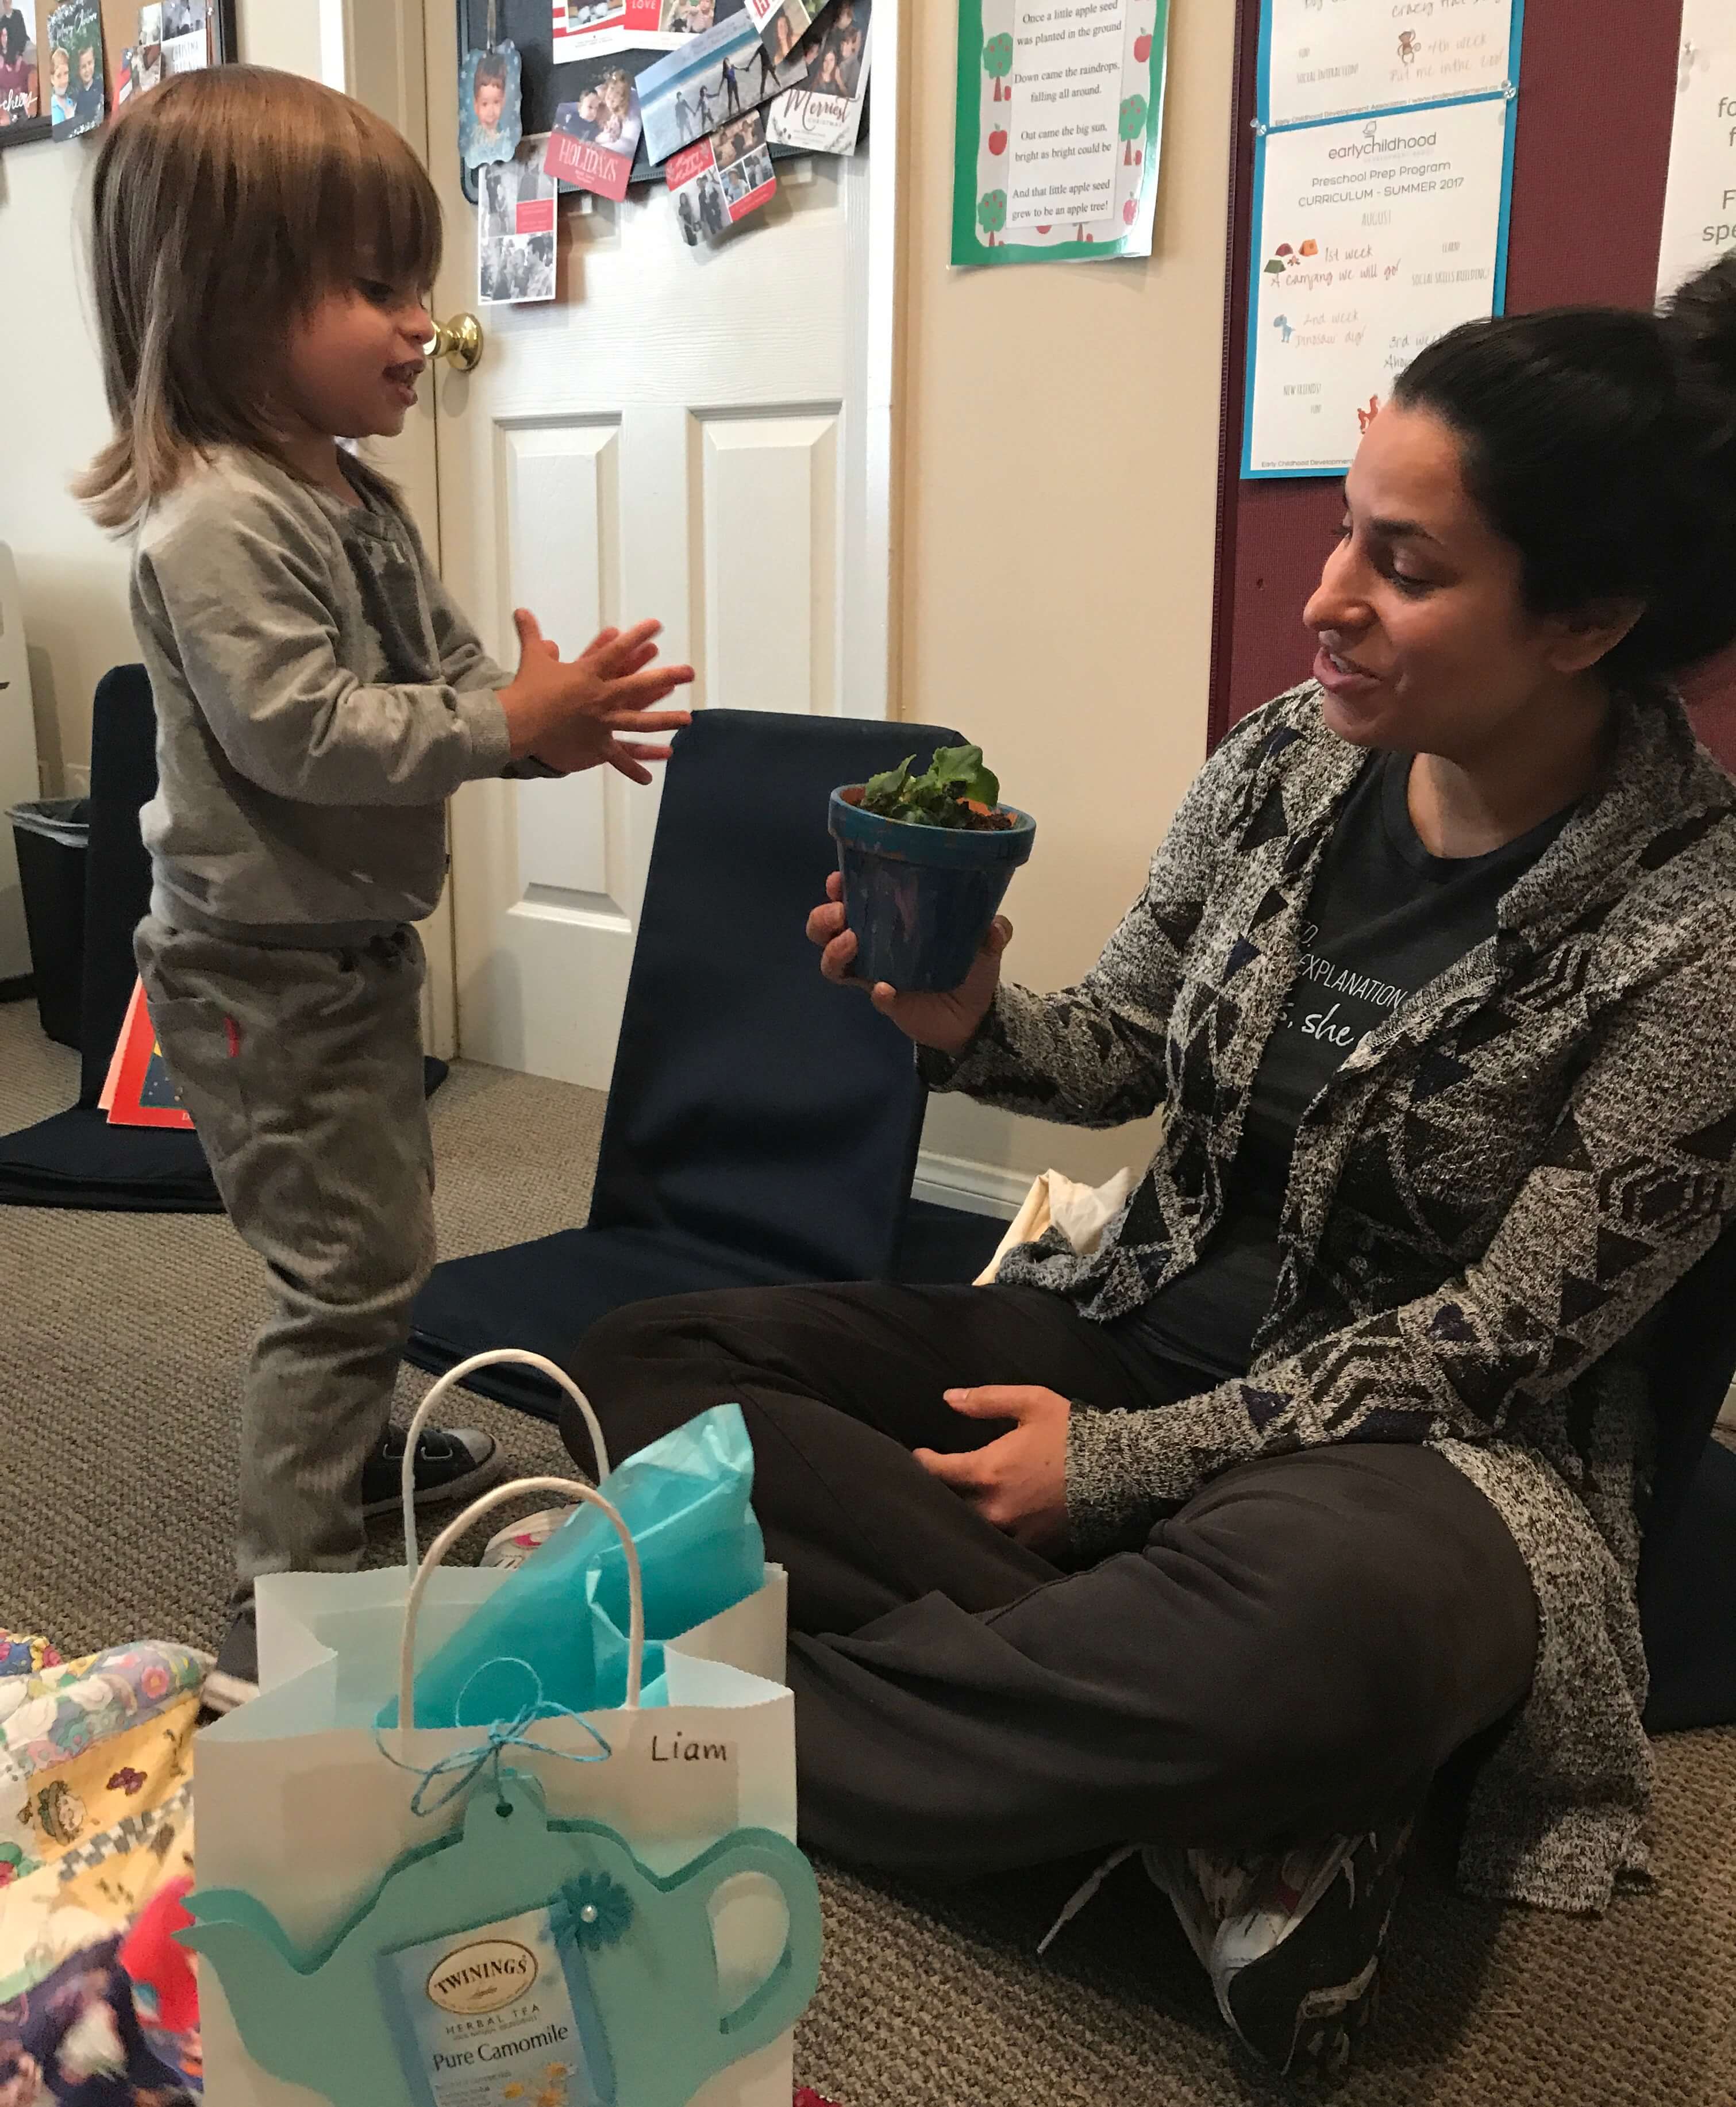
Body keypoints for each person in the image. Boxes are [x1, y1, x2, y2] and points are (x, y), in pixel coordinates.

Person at [563, 257, 1736, 2078]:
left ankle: (655, 1697)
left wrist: (1117, 1467)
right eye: (1344, 532)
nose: (1322, 603)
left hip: (1425, 1468)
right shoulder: (1282, 762)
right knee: (650, 1367)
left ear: (1579, 620)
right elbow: (1116, 1044)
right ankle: (1227, 1810)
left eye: (1402, 568)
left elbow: (1499, 1338)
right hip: (1136, 1321)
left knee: (1302, 1649)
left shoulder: (1698, 934)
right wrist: (956, 1014)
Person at [74, 68, 694, 1713]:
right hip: (247, 971)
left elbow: (430, 674)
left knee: (386, 1232)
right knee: (339, 1273)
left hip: (341, 955)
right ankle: (284, 1600)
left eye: (416, 282)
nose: (422, 324)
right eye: (372, 287)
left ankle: (350, 1470)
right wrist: (505, 727)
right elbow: (302, 735)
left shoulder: (356, 494)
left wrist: (530, 722)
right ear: (226, 300)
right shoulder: (212, 524)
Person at [468, 49, 509, 156]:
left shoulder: (504, 136)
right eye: (485, 104)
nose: (491, 112)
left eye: (496, 102)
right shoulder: (474, 137)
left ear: (503, 101)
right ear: (476, 106)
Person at [71, 36, 100, 124]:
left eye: (90, 63)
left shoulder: (100, 87)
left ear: (94, 62)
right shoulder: (78, 97)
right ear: (78, 70)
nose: (87, 70)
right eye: (83, 67)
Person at [45, 40, 69, 122]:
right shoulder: (51, 108)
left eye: (66, 73)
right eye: (59, 76)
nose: (64, 81)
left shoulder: (72, 103)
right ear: (52, 79)